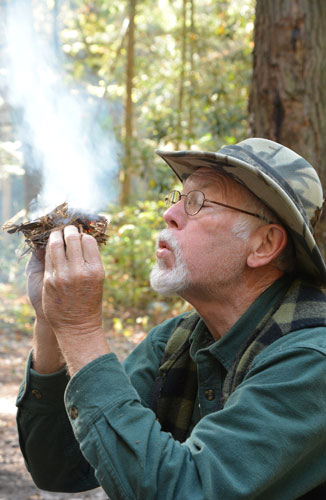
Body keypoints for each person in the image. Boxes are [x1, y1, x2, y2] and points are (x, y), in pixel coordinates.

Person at [16, 138, 326, 500]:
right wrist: (51, 322)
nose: (170, 214)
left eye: (197, 202)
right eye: (179, 198)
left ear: (263, 245)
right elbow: (61, 468)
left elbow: (185, 490)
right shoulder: (174, 342)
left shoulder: (311, 361)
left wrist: (81, 330)